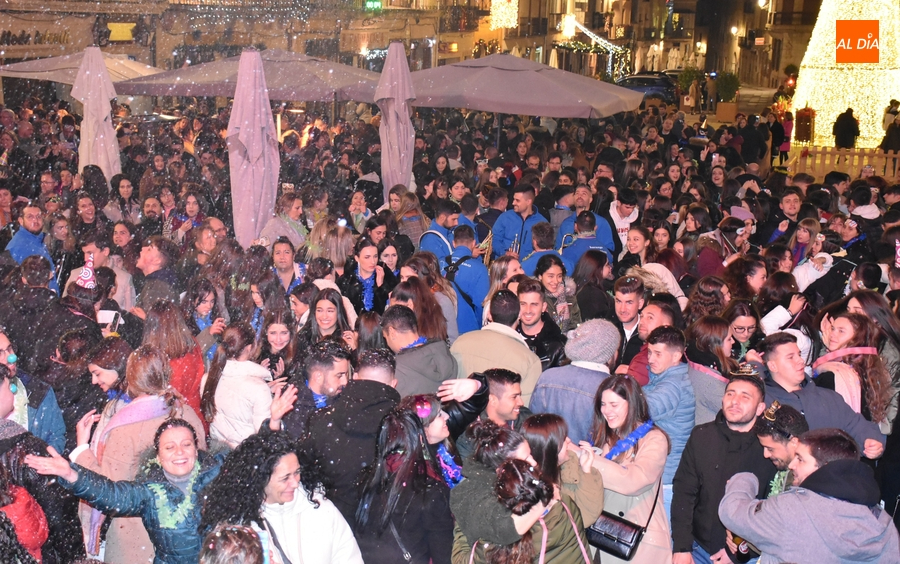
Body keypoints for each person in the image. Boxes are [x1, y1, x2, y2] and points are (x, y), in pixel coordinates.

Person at [69, 345, 207, 563]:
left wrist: (81, 449)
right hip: (185, 532)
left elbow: (109, 489)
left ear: (131, 379)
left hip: (136, 538)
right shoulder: (185, 412)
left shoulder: (125, 428)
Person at [26, 418, 225, 564]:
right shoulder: (149, 492)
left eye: (186, 444)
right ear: (158, 456)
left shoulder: (219, 474)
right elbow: (113, 495)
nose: (179, 452)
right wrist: (71, 474)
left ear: (196, 449)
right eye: (169, 447)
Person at [719, 428, 900, 563]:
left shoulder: (792, 510)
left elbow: (733, 512)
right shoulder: (882, 522)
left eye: (801, 459)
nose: (792, 465)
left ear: (825, 467)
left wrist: (744, 479)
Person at [199, 430, 364, 564]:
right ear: (261, 479)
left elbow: (349, 557)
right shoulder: (239, 526)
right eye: (285, 478)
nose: (295, 483)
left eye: (297, 472)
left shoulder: (320, 509)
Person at [0, 364, 85, 563]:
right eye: (7, 386)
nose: (12, 390)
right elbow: (58, 511)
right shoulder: (24, 448)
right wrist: (73, 556)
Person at [354, 398, 454, 564]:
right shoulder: (429, 490)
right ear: (420, 436)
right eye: (438, 415)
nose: (446, 417)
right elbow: (443, 555)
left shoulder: (368, 477)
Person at [758, 332, 886, 460]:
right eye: (790, 357)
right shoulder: (761, 402)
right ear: (772, 366)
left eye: (799, 354)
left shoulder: (828, 397)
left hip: (834, 475)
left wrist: (870, 441)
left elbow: (856, 425)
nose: (800, 361)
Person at [590, 374, 673, 564]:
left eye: (614, 405)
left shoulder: (654, 439)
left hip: (638, 542)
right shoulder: (606, 436)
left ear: (632, 403)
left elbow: (634, 481)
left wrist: (590, 460)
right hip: (603, 536)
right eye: (603, 404)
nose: (606, 411)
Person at [530, 318, 620, 443]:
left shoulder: (547, 377)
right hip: (591, 460)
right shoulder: (613, 389)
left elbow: (534, 428)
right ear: (609, 354)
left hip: (548, 457)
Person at [450, 290, 542, 404]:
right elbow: (524, 408)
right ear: (519, 315)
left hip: (463, 419)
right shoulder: (530, 361)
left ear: (489, 314)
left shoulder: (460, 343)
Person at [642, 326, 694, 520]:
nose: (650, 359)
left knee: (663, 539)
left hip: (666, 478)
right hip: (664, 473)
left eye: (657, 354)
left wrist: (622, 395)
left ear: (676, 356)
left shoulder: (673, 385)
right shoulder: (663, 379)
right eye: (649, 352)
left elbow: (647, 408)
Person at [281, 340, 352, 438]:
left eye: (346, 374)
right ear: (318, 377)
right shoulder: (290, 405)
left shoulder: (347, 400)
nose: (345, 382)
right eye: (339, 375)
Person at [381, 305, 457, 397]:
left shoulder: (398, 369)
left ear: (392, 332)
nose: (387, 343)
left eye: (386, 338)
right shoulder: (443, 351)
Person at [441, 224, 489, 334]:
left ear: (453, 243)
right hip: (468, 329)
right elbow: (481, 304)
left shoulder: (439, 263)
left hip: (443, 328)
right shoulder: (480, 269)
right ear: (474, 243)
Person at [754, 402, 809, 494]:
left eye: (770, 449)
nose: (765, 455)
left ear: (794, 442)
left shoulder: (809, 483)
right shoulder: (783, 470)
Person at [515, 278, 567, 371]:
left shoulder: (558, 346)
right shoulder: (508, 336)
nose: (528, 310)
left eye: (534, 304)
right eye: (523, 304)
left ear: (543, 307)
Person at [491, 182, 544, 259]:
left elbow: (545, 248)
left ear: (528, 202)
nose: (513, 203)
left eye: (517, 200)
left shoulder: (541, 222)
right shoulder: (505, 217)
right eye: (513, 199)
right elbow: (494, 239)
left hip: (529, 268)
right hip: (505, 266)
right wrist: (504, 253)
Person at [613, 275, 646, 371]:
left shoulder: (648, 335)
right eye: (618, 301)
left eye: (629, 302)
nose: (622, 309)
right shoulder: (607, 329)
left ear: (640, 304)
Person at [418, 199, 459, 264]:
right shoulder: (430, 240)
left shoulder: (449, 232)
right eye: (453, 219)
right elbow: (440, 266)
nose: (456, 223)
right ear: (442, 218)